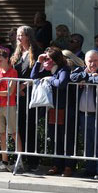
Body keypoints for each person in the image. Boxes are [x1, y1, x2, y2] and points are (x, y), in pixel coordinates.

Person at [31, 48, 73, 176]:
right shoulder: (46, 69)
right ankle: (57, 164)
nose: (45, 61)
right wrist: (38, 62)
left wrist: (49, 79)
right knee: (55, 138)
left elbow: (61, 83)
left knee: (66, 138)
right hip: (52, 109)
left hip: (64, 108)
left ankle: (68, 166)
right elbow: (33, 76)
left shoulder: (63, 69)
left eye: (47, 59)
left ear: (55, 60)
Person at [70, 50, 98, 179]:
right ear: (85, 61)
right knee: (88, 143)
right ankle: (89, 168)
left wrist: (87, 79)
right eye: (90, 61)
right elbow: (72, 77)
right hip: (83, 114)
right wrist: (87, 75)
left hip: (97, 114)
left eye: (95, 61)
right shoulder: (81, 70)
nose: (92, 63)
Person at [11, 26, 42, 171]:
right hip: (17, 95)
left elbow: (38, 74)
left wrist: (23, 86)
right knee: (19, 127)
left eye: (21, 35)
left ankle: (33, 160)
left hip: (30, 94)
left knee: (30, 127)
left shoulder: (36, 52)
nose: (18, 38)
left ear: (28, 36)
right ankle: (21, 157)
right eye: (17, 35)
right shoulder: (17, 53)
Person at [0, 48, 19, 172]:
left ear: (7, 59)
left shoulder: (13, 72)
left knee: (14, 133)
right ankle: (4, 160)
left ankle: (19, 160)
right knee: (1, 133)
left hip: (9, 105)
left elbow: (10, 92)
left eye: (0, 61)